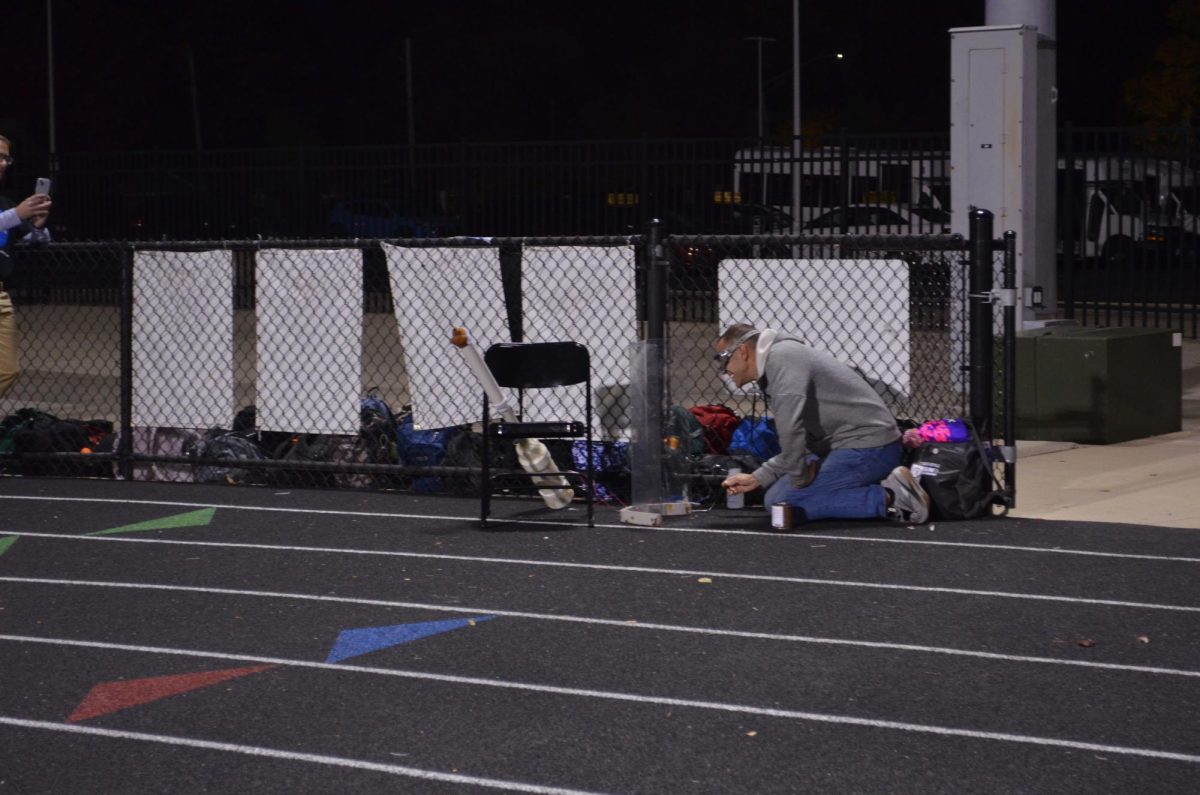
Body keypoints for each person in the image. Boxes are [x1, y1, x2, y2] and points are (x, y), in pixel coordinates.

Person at [716, 323, 930, 525]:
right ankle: (877, 487)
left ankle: (892, 497)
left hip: (871, 448)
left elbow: (791, 430)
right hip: (849, 446)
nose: (723, 370)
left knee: (784, 506)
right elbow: (804, 441)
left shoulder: (781, 358)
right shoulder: (779, 360)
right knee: (776, 499)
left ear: (743, 351)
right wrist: (759, 477)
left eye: (724, 359)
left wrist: (800, 479)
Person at [0, 133, 52, 397]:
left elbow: (33, 239)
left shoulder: (6, 202)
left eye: (4, 157)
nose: (1, 162)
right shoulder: (11, 209)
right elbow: (11, 219)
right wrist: (16, 215)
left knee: (7, 370)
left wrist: (39, 224)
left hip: (0, 294)